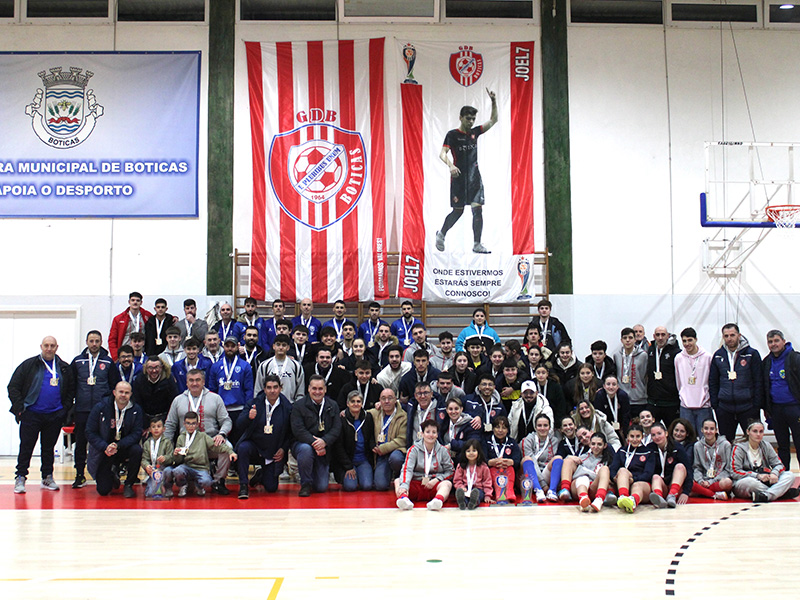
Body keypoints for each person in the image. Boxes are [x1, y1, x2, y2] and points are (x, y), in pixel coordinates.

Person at [9, 336, 76, 494]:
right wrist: (20, 408)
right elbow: (13, 386)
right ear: (41, 346)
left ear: (57, 347)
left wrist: (64, 409)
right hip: (31, 414)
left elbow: (71, 390)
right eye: (46, 345)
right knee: (26, 447)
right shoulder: (29, 365)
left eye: (52, 345)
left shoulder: (64, 368)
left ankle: (47, 477)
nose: (49, 348)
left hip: (54, 415)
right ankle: (20, 477)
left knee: (48, 448)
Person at [434, 89, 498, 254]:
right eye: (468, 118)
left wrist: (493, 101)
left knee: (478, 209)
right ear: (461, 118)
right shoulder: (452, 135)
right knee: (458, 211)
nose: (471, 122)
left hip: (475, 178)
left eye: (473, 119)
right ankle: (441, 234)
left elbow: (494, 120)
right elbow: (442, 154)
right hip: (459, 180)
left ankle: (477, 244)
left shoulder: (475, 132)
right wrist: (451, 165)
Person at [163, 368, 233, 494]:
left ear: (203, 382)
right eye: (191, 380)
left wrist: (221, 434)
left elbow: (226, 421)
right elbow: (170, 425)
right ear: (186, 383)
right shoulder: (178, 400)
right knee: (164, 449)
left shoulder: (215, 398)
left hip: (210, 442)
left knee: (227, 447)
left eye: (197, 380)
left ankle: (218, 481)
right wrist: (166, 445)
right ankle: (182, 480)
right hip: (187, 446)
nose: (194, 383)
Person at [70, 330, 119, 488]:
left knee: (105, 441)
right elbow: (71, 386)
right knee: (81, 442)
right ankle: (79, 474)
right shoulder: (77, 361)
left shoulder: (108, 362)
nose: (94, 344)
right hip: (82, 409)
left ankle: (108, 472)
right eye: (91, 341)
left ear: (101, 342)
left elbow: (114, 386)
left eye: (97, 341)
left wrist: (109, 405)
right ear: (86, 342)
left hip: (102, 410)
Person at [235, 374, 293, 499]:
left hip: (272, 451)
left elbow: (290, 433)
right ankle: (243, 485)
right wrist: (248, 417)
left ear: (280, 388)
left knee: (271, 488)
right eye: (269, 387)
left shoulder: (287, 407)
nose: (272, 391)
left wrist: (283, 449)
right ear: (264, 389)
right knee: (243, 448)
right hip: (255, 447)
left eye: (275, 387)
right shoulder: (254, 403)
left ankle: (260, 474)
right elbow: (239, 424)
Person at [86, 381, 144, 498]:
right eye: (121, 392)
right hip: (105, 450)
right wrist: (104, 446)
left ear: (131, 394)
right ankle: (113, 474)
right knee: (103, 490)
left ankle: (129, 484)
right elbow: (90, 432)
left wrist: (119, 445)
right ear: (114, 393)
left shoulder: (136, 410)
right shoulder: (100, 408)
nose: (123, 395)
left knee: (137, 450)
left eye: (126, 393)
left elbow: (137, 433)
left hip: (124, 447)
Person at [711, 324, 764, 444]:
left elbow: (758, 381)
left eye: (732, 335)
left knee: (754, 441)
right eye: (726, 336)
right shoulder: (718, 355)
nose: (729, 338)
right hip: (725, 408)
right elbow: (713, 382)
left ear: (739, 335)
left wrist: (756, 405)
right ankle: (728, 463)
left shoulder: (752, 354)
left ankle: (754, 463)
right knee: (725, 443)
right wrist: (716, 405)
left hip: (748, 407)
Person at [290, 374, 342, 496]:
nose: (317, 392)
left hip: (324, 448)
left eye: (320, 389)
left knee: (321, 487)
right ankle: (305, 483)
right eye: (314, 388)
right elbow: (298, 430)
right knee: (305, 449)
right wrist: (316, 444)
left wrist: (324, 442)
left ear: (325, 389)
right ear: (308, 389)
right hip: (303, 445)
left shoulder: (332, 405)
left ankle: (311, 471)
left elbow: (336, 428)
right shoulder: (299, 406)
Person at [166, 411, 238, 497]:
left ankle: (199, 486)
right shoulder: (181, 438)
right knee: (177, 471)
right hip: (186, 466)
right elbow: (178, 460)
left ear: (197, 424)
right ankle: (183, 485)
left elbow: (217, 446)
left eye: (193, 423)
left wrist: (231, 452)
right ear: (184, 424)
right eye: (188, 423)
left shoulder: (203, 436)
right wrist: (176, 454)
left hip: (201, 467)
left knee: (207, 482)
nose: (191, 426)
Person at [731, 420, 798, 502]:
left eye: (761, 431)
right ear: (748, 432)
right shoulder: (739, 448)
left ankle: (766, 495)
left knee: (789, 475)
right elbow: (734, 472)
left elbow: (779, 465)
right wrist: (757, 476)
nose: (758, 434)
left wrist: (774, 473)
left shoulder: (766, 445)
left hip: (766, 481)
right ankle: (780, 493)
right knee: (750, 483)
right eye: (755, 431)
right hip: (746, 482)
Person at [762, 329, 800, 470]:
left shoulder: (795, 358)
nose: (773, 344)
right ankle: (785, 479)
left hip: (795, 408)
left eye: (776, 341)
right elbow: (764, 387)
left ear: (784, 341)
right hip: (777, 410)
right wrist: (766, 408)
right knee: (782, 446)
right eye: (770, 342)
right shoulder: (766, 362)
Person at [395, 419, 454, 511]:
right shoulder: (413, 449)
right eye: (428, 432)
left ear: (437, 435)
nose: (431, 435)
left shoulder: (443, 451)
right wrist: (405, 486)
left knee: (447, 484)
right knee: (398, 481)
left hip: (433, 483)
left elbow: (450, 471)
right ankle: (404, 499)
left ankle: (437, 500)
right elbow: (407, 469)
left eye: (434, 432)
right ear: (422, 434)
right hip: (417, 482)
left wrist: (437, 479)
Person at [208, 336, 254, 445]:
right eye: (227, 346)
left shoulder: (245, 366)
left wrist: (246, 410)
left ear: (238, 346)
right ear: (223, 346)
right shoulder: (215, 366)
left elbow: (248, 390)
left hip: (239, 409)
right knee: (222, 442)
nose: (230, 349)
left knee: (238, 441)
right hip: (221, 410)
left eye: (232, 346)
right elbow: (212, 389)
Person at [333, 390, 376, 493]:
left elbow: (370, 437)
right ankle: (350, 476)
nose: (356, 404)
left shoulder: (368, 417)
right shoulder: (341, 419)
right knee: (350, 487)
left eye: (358, 401)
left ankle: (362, 475)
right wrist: (348, 466)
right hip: (348, 460)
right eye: (353, 401)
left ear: (362, 403)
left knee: (367, 486)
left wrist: (373, 446)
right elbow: (338, 446)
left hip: (363, 459)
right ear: (348, 404)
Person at [561, 431, 614, 512]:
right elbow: (567, 465)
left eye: (599, 444)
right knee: (582, 476)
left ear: (605, 446)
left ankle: (599, 499)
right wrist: (570, 457)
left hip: (594, 488)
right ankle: (572, 493)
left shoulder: (608, 460)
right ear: (589, 444)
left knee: (605, 469)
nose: (596, 447)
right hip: (578, 486)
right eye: (593, 444)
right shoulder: (583, 456)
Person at [674, 327, 713, 437]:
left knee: (705, 437)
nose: (687, 344)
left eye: (690, 340)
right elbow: (678, 381)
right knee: (687, 438)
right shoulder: (678, 358)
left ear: (696, 339)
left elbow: (711, 380)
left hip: (704, 405)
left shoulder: (707, 357)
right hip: (685, 405)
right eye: (684, 341)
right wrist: (682, 394)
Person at [367, 389, 408, 491]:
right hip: (380, 454)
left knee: (396, 459)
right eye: (383, 398)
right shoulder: (375, 413)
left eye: (390, 398)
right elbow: (359, 412)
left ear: (395, 400)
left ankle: (398, 474)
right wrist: (345, 413)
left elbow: (402, 440)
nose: (386, 401)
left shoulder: (403, 416)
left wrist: (384, 448)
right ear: (379, 401)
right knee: (380, 486)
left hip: (395, 452)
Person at [609, 424, 654, 513]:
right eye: (632, 436)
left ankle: (632, 502)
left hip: (641, 484)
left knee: (637, 485)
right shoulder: (622, 451)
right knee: (622, 470)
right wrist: (614, 477)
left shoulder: (648, 452)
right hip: (623, 483)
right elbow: (613, 468)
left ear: (642, 436)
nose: (634, 439)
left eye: (638, 436)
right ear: (627, 437)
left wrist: (633, 480)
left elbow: (648, 473)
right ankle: (623, 497)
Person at [519, 413, 563, 503]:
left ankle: (552, 491)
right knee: (527, 459)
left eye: (545, 425)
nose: (542, 428)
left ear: (550, 427)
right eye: (539, 425)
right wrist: (542, 485)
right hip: (528, 476)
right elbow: (532, 461)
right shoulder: (527, 440)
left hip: (545, 474)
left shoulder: (555, 441)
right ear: (535, 427)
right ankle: (538, 490)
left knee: (558, 458)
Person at [647, 422, 692, 508]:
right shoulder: (650, 449)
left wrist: (686, 492)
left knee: (680, 466)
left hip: (675, 484)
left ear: (666, 433)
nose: (657, 437)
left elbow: (689, 470)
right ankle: (659, 498)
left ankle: (672, 495)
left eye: (659, 433)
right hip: (661, 485)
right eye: (653, 435)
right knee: (655, 477)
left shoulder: (677, 448)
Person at [646, 326, 681, 427]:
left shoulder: (676, 352)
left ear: (668, 336)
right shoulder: (650, 350)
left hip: (671, 402)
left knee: (672, 432)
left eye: (663, 335)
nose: (660, 338)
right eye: (658, 335)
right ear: (654, 336)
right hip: (653, 401)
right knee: (651, 432)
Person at [483, 415, 521, 504]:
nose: (500, 430)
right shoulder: (486, 441)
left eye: (504, 428)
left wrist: (511, 462)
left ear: (508, 430)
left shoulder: (512, 442)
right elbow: (482, 458)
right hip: (491, 471)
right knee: (493, 469)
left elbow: (517, 460)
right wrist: (490, 462)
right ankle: (500, 494)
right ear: (493, 428)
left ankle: (509, 491)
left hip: (508, 471)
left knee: (510, 468)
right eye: (497, 427)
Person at [692, 418, 733, 500]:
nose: (708, 431)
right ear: (702, 430)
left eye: (712, 429)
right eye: (706, 428)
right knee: (689, 482)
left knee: (728, 483)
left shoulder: (725, 445)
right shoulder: (697, 445)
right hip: (703, 481)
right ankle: (713, 494)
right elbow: (697, 467)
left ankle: (702, 492)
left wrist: (711, 482)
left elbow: (728, 469)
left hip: (718, 480)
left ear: (716, 430)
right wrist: (700, 481)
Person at [254, 334, 304, 402]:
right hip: (269, 406)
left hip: (290, 405)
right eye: (278, 344)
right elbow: (258, 389)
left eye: (284, 345)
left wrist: (297, 406)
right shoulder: (265, 365)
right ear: (274, 346)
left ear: (288, 347)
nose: (281, 347)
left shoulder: (296, 366)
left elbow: (300, 390)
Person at [131, 356, 179, 424]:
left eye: (156, 367)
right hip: (145, 418)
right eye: (150, 368)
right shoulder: (140, 379)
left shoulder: (169, 379)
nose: (154, 371)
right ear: (146, 368)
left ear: (161, 367)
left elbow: (173, 402)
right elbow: (137, 402)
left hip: (165, 418)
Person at [109, 292, 153, 361]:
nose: (135, 302)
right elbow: (112, 340)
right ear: (129, 302)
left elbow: (159, 318)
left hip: (141, 354)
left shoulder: (147, 315)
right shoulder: (119, 319)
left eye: (137, 300)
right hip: (125, 355)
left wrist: (173, 318)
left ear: (141, 302)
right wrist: (115, 357)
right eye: (133, 300)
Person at [614, 327, 648, 411]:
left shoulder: (643, 355)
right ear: (621, 340)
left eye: (630, 338)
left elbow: (645, 376)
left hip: (639, 399)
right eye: (625, 338)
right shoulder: (617, 355)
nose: (627, 340)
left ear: (635, 339)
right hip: (622, 398)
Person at [453, 439, 493, 509]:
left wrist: (488, 495)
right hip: (466, 488)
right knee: (463, 495)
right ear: (464, 453)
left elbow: (487, 482)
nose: (471, 453)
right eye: (468, 451)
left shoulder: (483, 466)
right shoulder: (461, 466)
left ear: (479, 452)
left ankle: (474, 502)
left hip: (478, 489)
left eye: (474, 451)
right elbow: (457, 480)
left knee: (478, 495)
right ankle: (462, 502)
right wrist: (461, 487)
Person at [141, 415, 174, 498]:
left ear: (164, 429)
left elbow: (172, 457)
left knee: (168, 471)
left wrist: (165, 458)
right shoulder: (147, 443)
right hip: (152, 471)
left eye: (159, 426)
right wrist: (146, 466)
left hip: (163, 469)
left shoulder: (167, 442)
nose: (156, 429)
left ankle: (167, 486)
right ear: (149, 430)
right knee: (149, 494)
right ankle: (151, 483)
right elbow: (144, 459)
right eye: (153, 427)